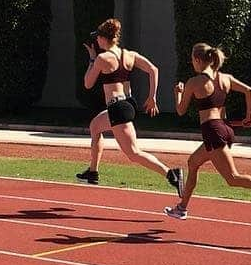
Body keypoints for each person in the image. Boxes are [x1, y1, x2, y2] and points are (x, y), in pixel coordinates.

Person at [165, 42, 251, 220]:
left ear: (198, 60)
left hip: (213, 131)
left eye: (192, 60)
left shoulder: (195, 82)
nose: (192, 63)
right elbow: (249, 91)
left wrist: (177, 92)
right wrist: (249, 116)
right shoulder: (226, 78)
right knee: (193, 163)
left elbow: (180, 110)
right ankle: (182, 207)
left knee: (232, 178)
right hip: (224, 128)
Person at [77, 18, 184, 196]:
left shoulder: (102, 58)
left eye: (97, 38)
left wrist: (92, 59)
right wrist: (152, 97)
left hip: (118, 108)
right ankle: (92, 172)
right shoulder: (129, 55)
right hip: (126, 104)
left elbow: (87, 83)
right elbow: (153, 70)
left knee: (133, 153)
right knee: (95, 127)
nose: (96, 41)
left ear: (104, 38)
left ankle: (171, 174)